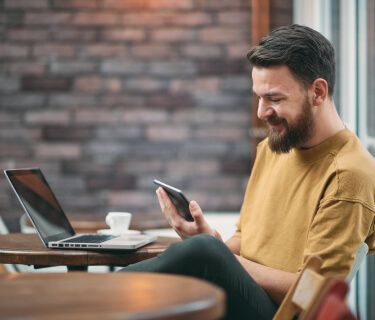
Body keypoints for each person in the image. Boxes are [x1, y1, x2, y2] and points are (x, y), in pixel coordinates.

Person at [120, 24, 375, 320]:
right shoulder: (274, 148)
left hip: (281, 314)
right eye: (259, 97)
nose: (261, 112)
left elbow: (313, 293)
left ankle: (82, 297)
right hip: (243, 298)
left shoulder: (349, 175)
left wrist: (217, 255)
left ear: (317, 92)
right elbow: (247, 237)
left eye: (274, 99)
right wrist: (214, 243)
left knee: (202, 254)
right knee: (195, 258)